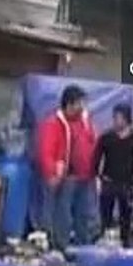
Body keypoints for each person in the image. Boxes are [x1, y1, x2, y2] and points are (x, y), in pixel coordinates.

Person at [36, 84, 98, 249]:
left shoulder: (85, 122)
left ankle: (83, 248)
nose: (82, 107)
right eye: (79, 103)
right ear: (69, 104)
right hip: (66, 177)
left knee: (84, 215)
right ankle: (60, 246)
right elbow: (46, 151)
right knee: (62, 215)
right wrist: (51, 174)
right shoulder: (54, 124)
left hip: (85, 177)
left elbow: (93, 144)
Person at [93, 104, 133, 247]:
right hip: (109, 182)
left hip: (126, 183)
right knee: (106, 214)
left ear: (127, 119)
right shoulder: (107, 137)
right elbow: (96, 158)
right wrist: (97, 178)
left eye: (120, 118)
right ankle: (105, 239)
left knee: (126, 216)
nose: (116, 121)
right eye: (115, 117)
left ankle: (125, 242)